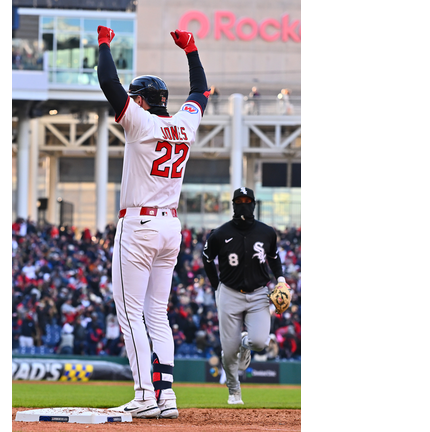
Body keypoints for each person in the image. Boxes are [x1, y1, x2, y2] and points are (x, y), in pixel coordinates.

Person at [96, 25, 209, 419]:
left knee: (130, 313)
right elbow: (200, 92)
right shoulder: (185, 124)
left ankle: (145, 394)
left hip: (139, 225)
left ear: (142, 101)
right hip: (170, 227)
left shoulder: (141, 122)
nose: (131, 102)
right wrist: (191, 50)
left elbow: (108, 82)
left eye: (134, 98)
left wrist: (104, 44)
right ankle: (167, 397)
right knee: (157, 313)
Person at [201, 187, 290, 405]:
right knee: (229, 352)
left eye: (247, 201)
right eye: (239, 201)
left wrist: (280, 279)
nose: (243, 205)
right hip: (229, 293)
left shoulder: (266, 232)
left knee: (259, 342)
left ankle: (244, 341)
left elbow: (274, 257)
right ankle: (234, 390)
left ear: (253, 204)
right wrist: (217, 287)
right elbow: (207, 259)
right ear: (233, 205)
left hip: (259, 293)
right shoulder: (219, 233)